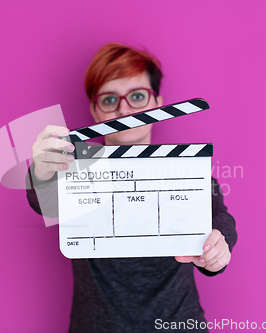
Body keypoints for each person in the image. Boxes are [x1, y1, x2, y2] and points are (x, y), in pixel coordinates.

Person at [26, 43, 237, 333]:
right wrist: (42, 168)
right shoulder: (77, 173)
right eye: (110, 100)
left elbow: (220, 219)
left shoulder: (187, 173)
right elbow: (45, 201)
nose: (124, 109)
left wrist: (218, 250)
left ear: (157, 103)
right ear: (95, 110)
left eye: (137, 96)